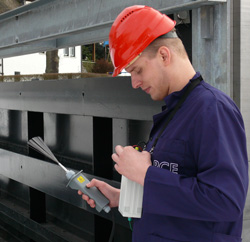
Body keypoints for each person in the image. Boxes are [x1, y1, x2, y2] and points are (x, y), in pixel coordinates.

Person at [78, 5, 249, 242]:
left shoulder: (213, 109)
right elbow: (179, 191)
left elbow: (226, 202)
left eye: (136, 70)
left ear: (164, 55)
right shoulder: (174, 112)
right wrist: (124, 196)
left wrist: (146, 175)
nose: (134, 83)